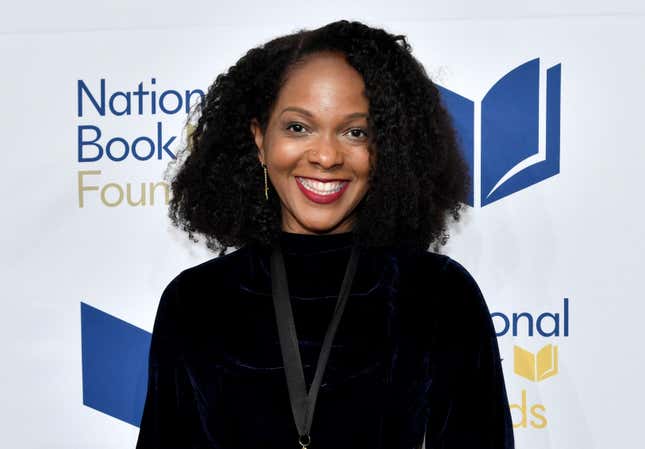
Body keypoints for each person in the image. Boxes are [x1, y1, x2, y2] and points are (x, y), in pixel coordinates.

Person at [135, 20, 515, 449]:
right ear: (260, 138)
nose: (326, 156)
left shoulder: (438, 294)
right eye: (298, 127)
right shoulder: (196, 301)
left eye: (356, 132)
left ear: (385, 149)